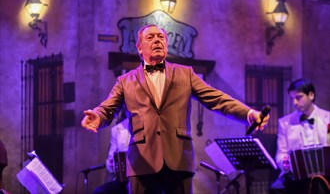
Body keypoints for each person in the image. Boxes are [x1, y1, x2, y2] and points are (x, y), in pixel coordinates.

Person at [81, 24, 269, 194]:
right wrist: (97, 116)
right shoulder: (125, 81)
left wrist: (249, 114)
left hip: (179, 159)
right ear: (139, 48)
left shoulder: (184, 74)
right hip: (141, 163)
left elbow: (216, 99)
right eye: (151, 37)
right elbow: (108, 107)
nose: (157, 40)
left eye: (161, 37)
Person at [270, 78, 330, 194]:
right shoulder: (285, 123)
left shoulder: (328, 118)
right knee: (276, 188)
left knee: (318, 185)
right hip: (296, 174)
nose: (295, 103)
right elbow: (281, 153)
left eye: (298, 97)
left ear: (311, 95)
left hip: (324, 174)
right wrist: (284, 162)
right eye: (292, 99)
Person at [93, 107, 130, 194]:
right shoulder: (117, 129)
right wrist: (111, 163)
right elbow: (111, 158)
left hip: (143, 176)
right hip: (123, 179)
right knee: (100, 192)